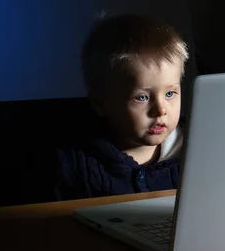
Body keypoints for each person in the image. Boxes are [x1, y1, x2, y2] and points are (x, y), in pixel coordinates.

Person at [52, 14, 188, 200]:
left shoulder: (193, 149)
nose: (160, 110)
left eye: (170, 94)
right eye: (141, 97)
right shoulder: (74, 165)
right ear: (100, 103)